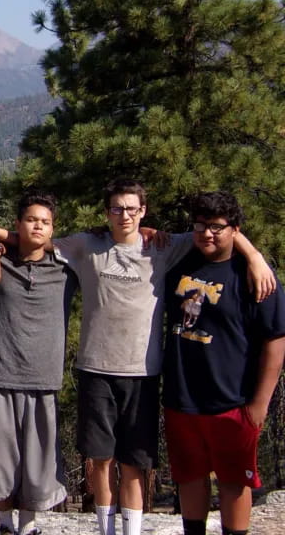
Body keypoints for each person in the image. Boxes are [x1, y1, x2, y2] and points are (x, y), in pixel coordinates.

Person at [0, 178, 273, 535]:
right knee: (99, 459)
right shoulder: (86, 245)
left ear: (143, 212)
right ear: (106, 213)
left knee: (135, 462)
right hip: (95, 369)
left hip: (143, 372)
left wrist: (254, 255)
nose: (124, 216)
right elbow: (35, 238)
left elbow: (216, 231)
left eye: (132, 209)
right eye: (117, 209)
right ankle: (106, 529)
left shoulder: (165, 247)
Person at [162, 192, 285, 535]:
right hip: (182, 396)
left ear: (235, 230)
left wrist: (260, 403)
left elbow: (276, 338)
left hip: (232, 399)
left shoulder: (253, 276)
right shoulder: (179, 263)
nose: (206, 234)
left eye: (216, 227)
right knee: (189, 476)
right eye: (200, 225)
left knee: (234, 481)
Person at [0, 191, 75, 535]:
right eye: (31, 220)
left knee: (37, 460)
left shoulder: (66, 267)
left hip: (43, 377)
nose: (38, 226)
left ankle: (28, 527)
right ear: (18, 223)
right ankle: (4, 526)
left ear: (53, 227)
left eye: (45, 222)